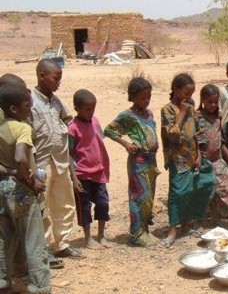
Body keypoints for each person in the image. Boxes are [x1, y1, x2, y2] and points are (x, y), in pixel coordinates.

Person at [30, 59, 85, 263]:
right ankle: (42, 252)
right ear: (42, 76)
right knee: (41, 210)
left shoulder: (56, 101)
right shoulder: (30, 102)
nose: (58, 82)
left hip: (60, 163)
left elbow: (68, 122)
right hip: (41, 166)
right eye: (56, 78)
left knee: (64, 205)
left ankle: (62, 244)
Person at [0, 83, 51, 294]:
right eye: (27, 105)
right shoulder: (22, 128)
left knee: (4, 239)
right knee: (34, 239)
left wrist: (11, 173)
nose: (30, 109)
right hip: (22, 192)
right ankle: (39, 286)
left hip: (2, 189)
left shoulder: (1, 127)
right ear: (14, 109)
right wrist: (30, 182)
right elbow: (21, 158)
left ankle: (3, 282)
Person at [160, 73, 215, 247]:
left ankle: (191, 221)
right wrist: (182, 112)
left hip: (194, 156)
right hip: (178, 159)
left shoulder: (191, 108)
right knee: (178, 193)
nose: (188, 97)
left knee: (205, 183)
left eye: (191, 94)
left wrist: (199, 155)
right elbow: (173, 135)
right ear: (175, 89)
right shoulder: (167, 110)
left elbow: (198, 132)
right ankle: (173, 230)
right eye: (185, 92)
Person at [104, 77, 160, 247]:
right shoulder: (127, 116)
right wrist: (126, 143)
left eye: (149, 96)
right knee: (139, 196)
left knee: (149, 197)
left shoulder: (149, 113)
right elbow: (108, 130)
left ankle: (145, 230)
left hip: (151, 160)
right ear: (133, 97)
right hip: (138, 162)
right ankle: (137, 234)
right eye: (143, 97)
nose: (147, 100)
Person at [68, 89, 111, 249]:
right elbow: (70, 154)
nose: (91, 112)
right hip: (82, 174)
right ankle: (88, 237)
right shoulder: (72, 129)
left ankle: (101, 235)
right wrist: (73, 177)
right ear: (77, 108)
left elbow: (98, 143)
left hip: (98, 172)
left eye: (93, 108)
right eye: (88, 109)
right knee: (84, 206)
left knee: (102, 203)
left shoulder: (96, 121)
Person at [196, 84, 228, 223]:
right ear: (202, 101)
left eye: (215, 102)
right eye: (209, 102)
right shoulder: (197, 117)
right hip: (203, 161)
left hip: (217, 159)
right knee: (210, 189)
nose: (212, 105)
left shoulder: (218, 117)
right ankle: (212, 216)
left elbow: (221, 139)